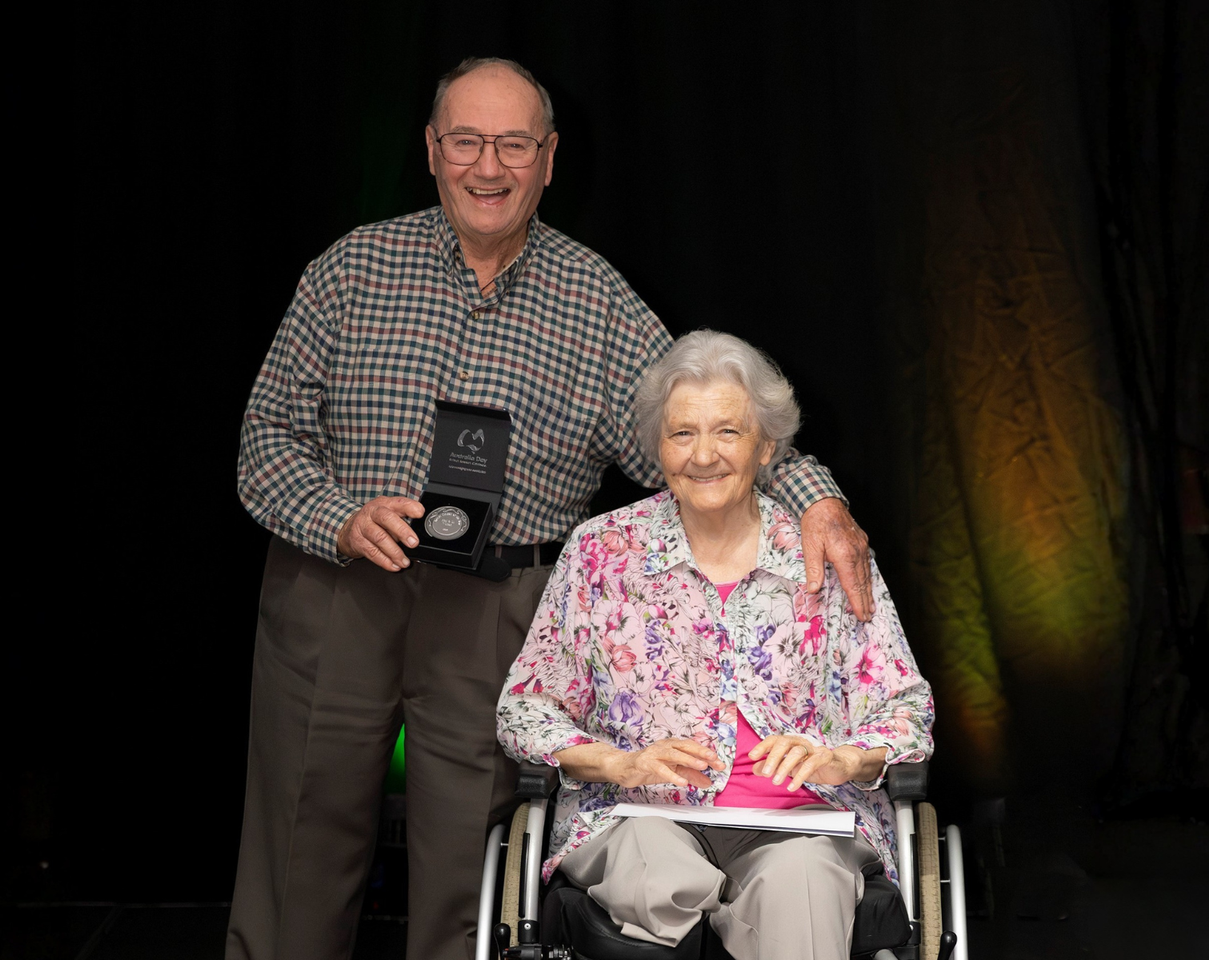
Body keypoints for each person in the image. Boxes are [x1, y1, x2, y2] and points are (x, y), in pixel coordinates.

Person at [230, 58, 874, 960]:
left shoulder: (597, 301)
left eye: (514, 145)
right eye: (466, 142)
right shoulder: (350, 269)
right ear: (431, 149)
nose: (488, 167)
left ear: (550, 157)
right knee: (299, 846)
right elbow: (266, 439)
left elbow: (706, 433)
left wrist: (820, 501)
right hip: (336, 590)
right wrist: (338, 516)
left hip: (496, 611)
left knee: (471, 871)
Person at [497, 330, 933, 960]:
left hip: (802, 824)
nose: (703, 455)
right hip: (637, 816)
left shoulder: (824, 555)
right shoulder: (600, 552)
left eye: (727, 431)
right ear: (658, 446)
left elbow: (906, 708)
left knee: (803, 887)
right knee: (658, 877)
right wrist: (617, 763)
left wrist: (844, 758)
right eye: (682, 433)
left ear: (767, 447)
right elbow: (525, 707)